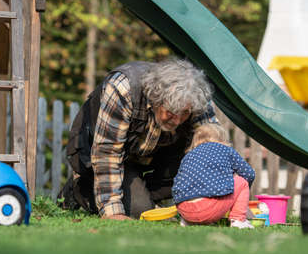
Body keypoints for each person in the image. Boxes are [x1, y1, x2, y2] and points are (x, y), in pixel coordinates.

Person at [60, 58, 217, 220]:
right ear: (156, 98)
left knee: (197, 150)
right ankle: (81, 187)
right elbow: (108, 153)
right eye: (171, 112)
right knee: (139, 209)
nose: (177, 121)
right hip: (103, 152)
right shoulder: (123, 88)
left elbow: (214, 148)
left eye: (185, 113)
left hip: (153, 155)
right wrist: (113, 213)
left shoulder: (197, 96)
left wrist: (220, 199)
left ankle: (146, 195)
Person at [172, 123, 255, 229]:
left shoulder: (189, 155)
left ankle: (188, 222)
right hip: (208, 210)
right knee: (242, 182)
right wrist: (242, 197)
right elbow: (249, 174)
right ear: (222, 139)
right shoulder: (226, 150)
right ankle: (238, 220)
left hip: (184, 211)